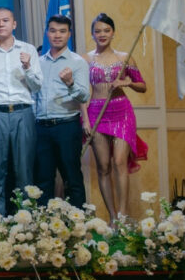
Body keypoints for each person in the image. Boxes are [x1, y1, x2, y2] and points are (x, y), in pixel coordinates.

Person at [0, 7, 43, 215]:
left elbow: (37, 86)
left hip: (23, 113)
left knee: (24, 170)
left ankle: (24, 220)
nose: (1, 24)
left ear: (14, 24)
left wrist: (28, 67)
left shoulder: (28, 50)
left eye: (5, 20)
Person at [82, 13, 148, 220]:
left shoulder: (124, 58)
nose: (102, 34)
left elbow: (143, 86)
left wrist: (128, 83)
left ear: (113, 33)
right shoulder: (85, 60)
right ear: (92, 34)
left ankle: (123, 215)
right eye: (98, 31)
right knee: (103, 167)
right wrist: (85, 120)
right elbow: (81, 93)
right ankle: (112, 217)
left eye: (106, 30)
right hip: (96, 114)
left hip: (122, 113)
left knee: (120, 162)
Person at [34, 15, 90, 207]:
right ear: (47, 33)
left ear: (69, 34)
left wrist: (70, 83)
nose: (57, 35)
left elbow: (84, 96)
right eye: (53, 31)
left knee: (72, 178)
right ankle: (43, 222)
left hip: (67, 126)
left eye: (62, 31)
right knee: (43, 180)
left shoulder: (77, 62)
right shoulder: (38, 62)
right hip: (41, 128)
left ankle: (78, 221)